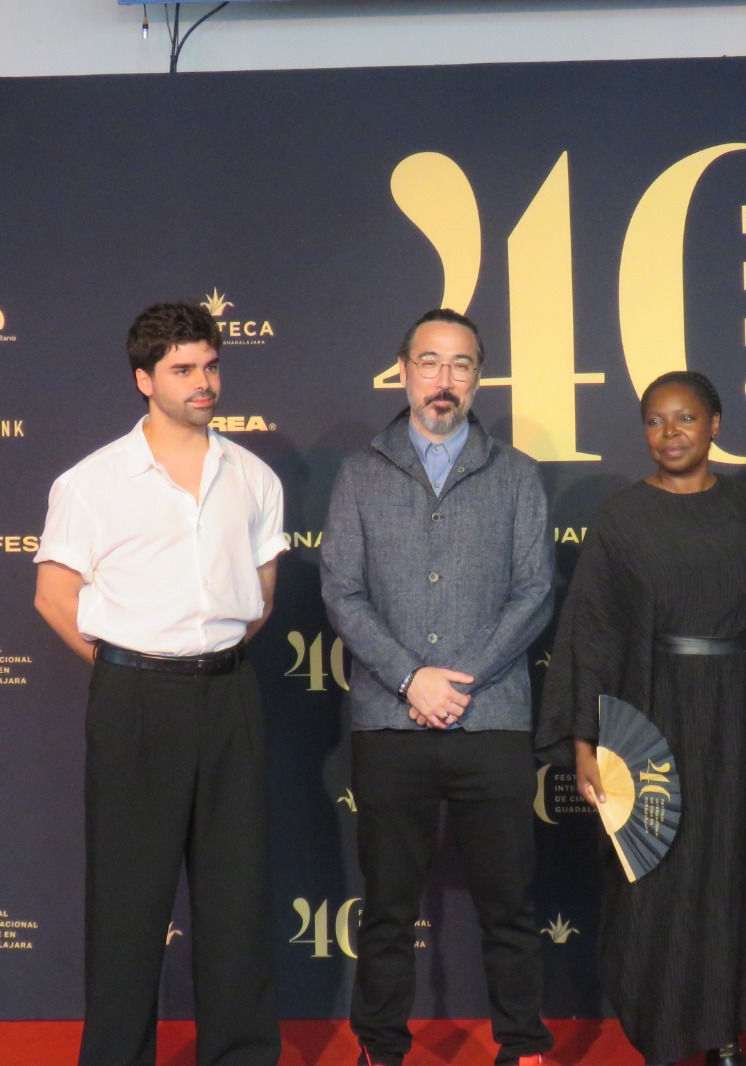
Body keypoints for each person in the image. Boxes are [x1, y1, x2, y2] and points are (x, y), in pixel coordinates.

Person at [537, 370, 746, 1066]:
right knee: (658, 880)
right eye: (656, 422)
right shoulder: (622, 517)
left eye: (685, 419)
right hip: (653, 715)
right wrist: (582, 738)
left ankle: (724, 1033)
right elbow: (591, 633)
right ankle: (664, 1034)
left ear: (715, 425)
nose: (670, 434)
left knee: (739, 870)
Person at [33, 301, 285, 1066]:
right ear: (145, 379)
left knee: (236, 900)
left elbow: (261, 598)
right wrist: (136, 665)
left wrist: (199, 660)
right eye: (183, 369)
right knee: (127, 904)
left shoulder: (256, 477)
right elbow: (53, 597)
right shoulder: (92, 482)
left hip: (229, 695)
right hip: (134, 701)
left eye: (210, 366)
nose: (203, 382)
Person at [319, 308, 555, 1066]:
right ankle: (380, 1048)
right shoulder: (361, 473)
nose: (444, 380)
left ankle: (521, 1045)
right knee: (386, 910)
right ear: (403, 369)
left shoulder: (515, 474)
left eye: (461, 365)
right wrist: (410, 677)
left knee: (510, 907)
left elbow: (534, 593)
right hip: (390, 723)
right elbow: (341, 594)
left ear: (478, 375)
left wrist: (462, 679)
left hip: (495, 719)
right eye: (430, 362)